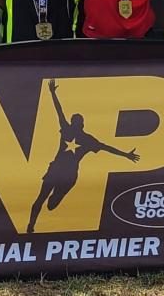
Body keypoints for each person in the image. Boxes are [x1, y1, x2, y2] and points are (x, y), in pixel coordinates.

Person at [27, 79, 139, 233]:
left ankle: (56, 196)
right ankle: (30, 226)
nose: (76, 124)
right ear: (77, 124)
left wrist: (125, 154)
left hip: (69, 175)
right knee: (40, 199)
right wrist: (53, 93)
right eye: (76, 122)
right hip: (56, 171)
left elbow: (105, 147)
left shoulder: (85, 138)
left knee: (50, 203)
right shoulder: (69, 131)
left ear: (81, 124)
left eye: (77, 122)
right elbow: (59, 112)